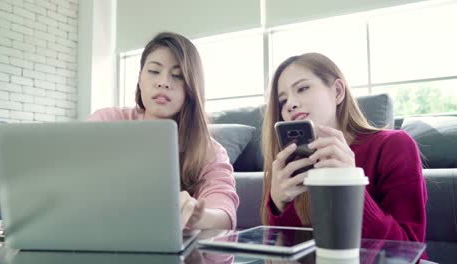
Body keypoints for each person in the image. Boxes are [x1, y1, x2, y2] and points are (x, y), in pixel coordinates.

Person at [260, 53, 427, 244]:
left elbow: (406, 250)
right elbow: (291, 255)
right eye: (283, 101)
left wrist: (351, 185)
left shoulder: (394, 146)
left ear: (338, 91)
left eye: (303, 88)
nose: (290, 104)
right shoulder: (291, 165)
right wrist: (278, 206)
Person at [88, 32, 239, 230]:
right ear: (140, 80)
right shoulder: (107, 122)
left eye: (177, 75)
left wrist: (197, 216)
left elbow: (224, 214)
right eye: (153, 71)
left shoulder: (210, 151)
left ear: (191, 88)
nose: (163, 82)